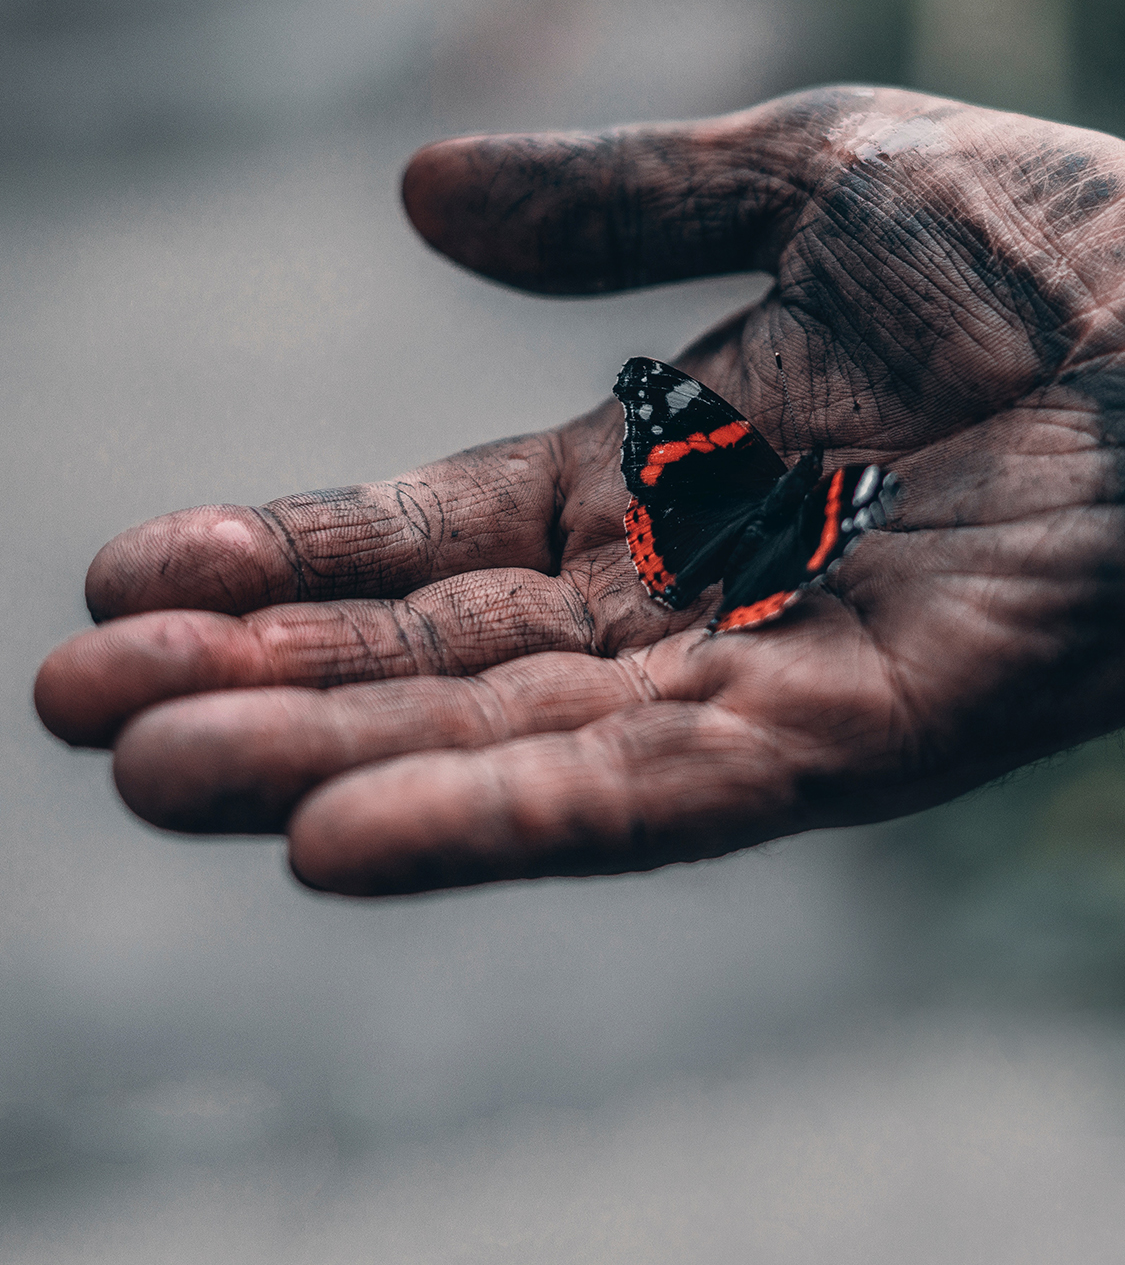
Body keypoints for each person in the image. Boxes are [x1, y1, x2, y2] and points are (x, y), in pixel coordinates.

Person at [34, 84, 1125, 896]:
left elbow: (737, 473)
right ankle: (742, 587)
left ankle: (708, 576)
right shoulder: (844, 497)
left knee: (711, 522)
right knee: (762, 547)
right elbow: (837, 510)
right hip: (770, 568)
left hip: (686, 541)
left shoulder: (735, 451)